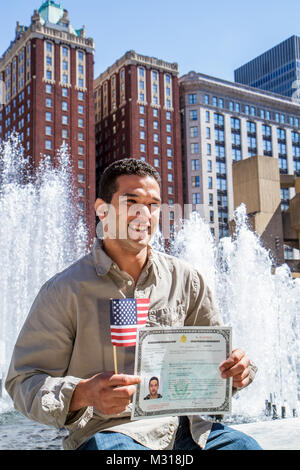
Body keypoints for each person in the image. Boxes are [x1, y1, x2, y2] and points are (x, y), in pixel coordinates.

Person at [5, 158, 262, 451]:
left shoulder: (186, 278)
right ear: (102, 210)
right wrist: (82, 393)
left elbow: (217, 362)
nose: (145, 214)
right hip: (108, 432)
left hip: (188, 428)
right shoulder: (64, 290)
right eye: (132, 202)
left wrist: (238, 372)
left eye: (153, 204)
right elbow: (23, 381)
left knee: (245, 446)